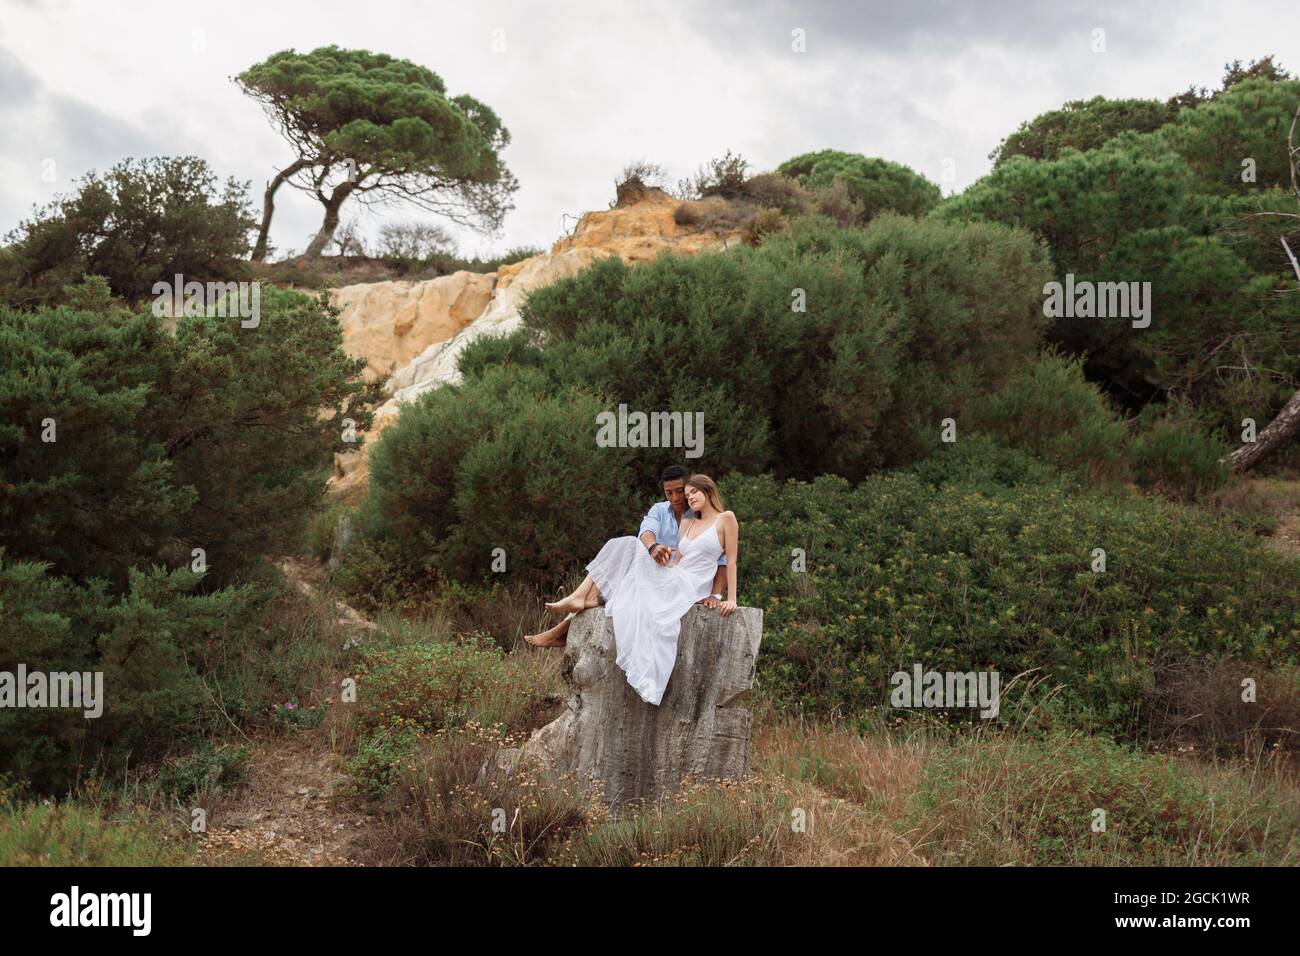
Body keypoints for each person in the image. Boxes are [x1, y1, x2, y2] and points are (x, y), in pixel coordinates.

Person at [538, 473, 739, 706]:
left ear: (708, 490)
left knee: (630, 547)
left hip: (693, 584)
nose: (689, 498)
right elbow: (679, 562)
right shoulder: (688, 522)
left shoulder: (726, 518)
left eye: (694, 492)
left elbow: (731, 561)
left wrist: (727, 597)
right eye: (688, 495)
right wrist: (661, 564)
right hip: (677, 576)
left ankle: (581, 597)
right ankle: (582, 597)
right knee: (626, 550)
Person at [524, 465, 727, 648]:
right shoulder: (659, 510)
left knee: (620, 570)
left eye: (680, 491)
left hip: (686, 582)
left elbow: (722, 561)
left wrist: (716, 595)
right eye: (669, 493)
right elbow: (646, 532)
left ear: (691, 488)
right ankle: (577, 601)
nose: (675, 498)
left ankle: (564, 623)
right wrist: (653, 547)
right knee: (627, 546)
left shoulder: (705, 517)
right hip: (658, 573)